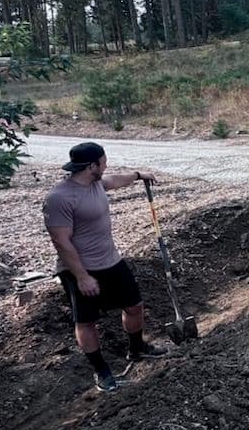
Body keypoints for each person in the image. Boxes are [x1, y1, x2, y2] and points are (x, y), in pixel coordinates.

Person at [43, 141, 167, 393]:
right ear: (92, 165)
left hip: (111, 261)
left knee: (135, 306)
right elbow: (61, 241)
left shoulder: (96, 183)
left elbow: (114, 180)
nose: (106, 165)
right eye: (104, 161)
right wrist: (82, 277)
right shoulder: (59, 198)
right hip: (80, 269)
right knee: (86, 321)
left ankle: (137, 349)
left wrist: (138, 175)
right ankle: (101, 371)